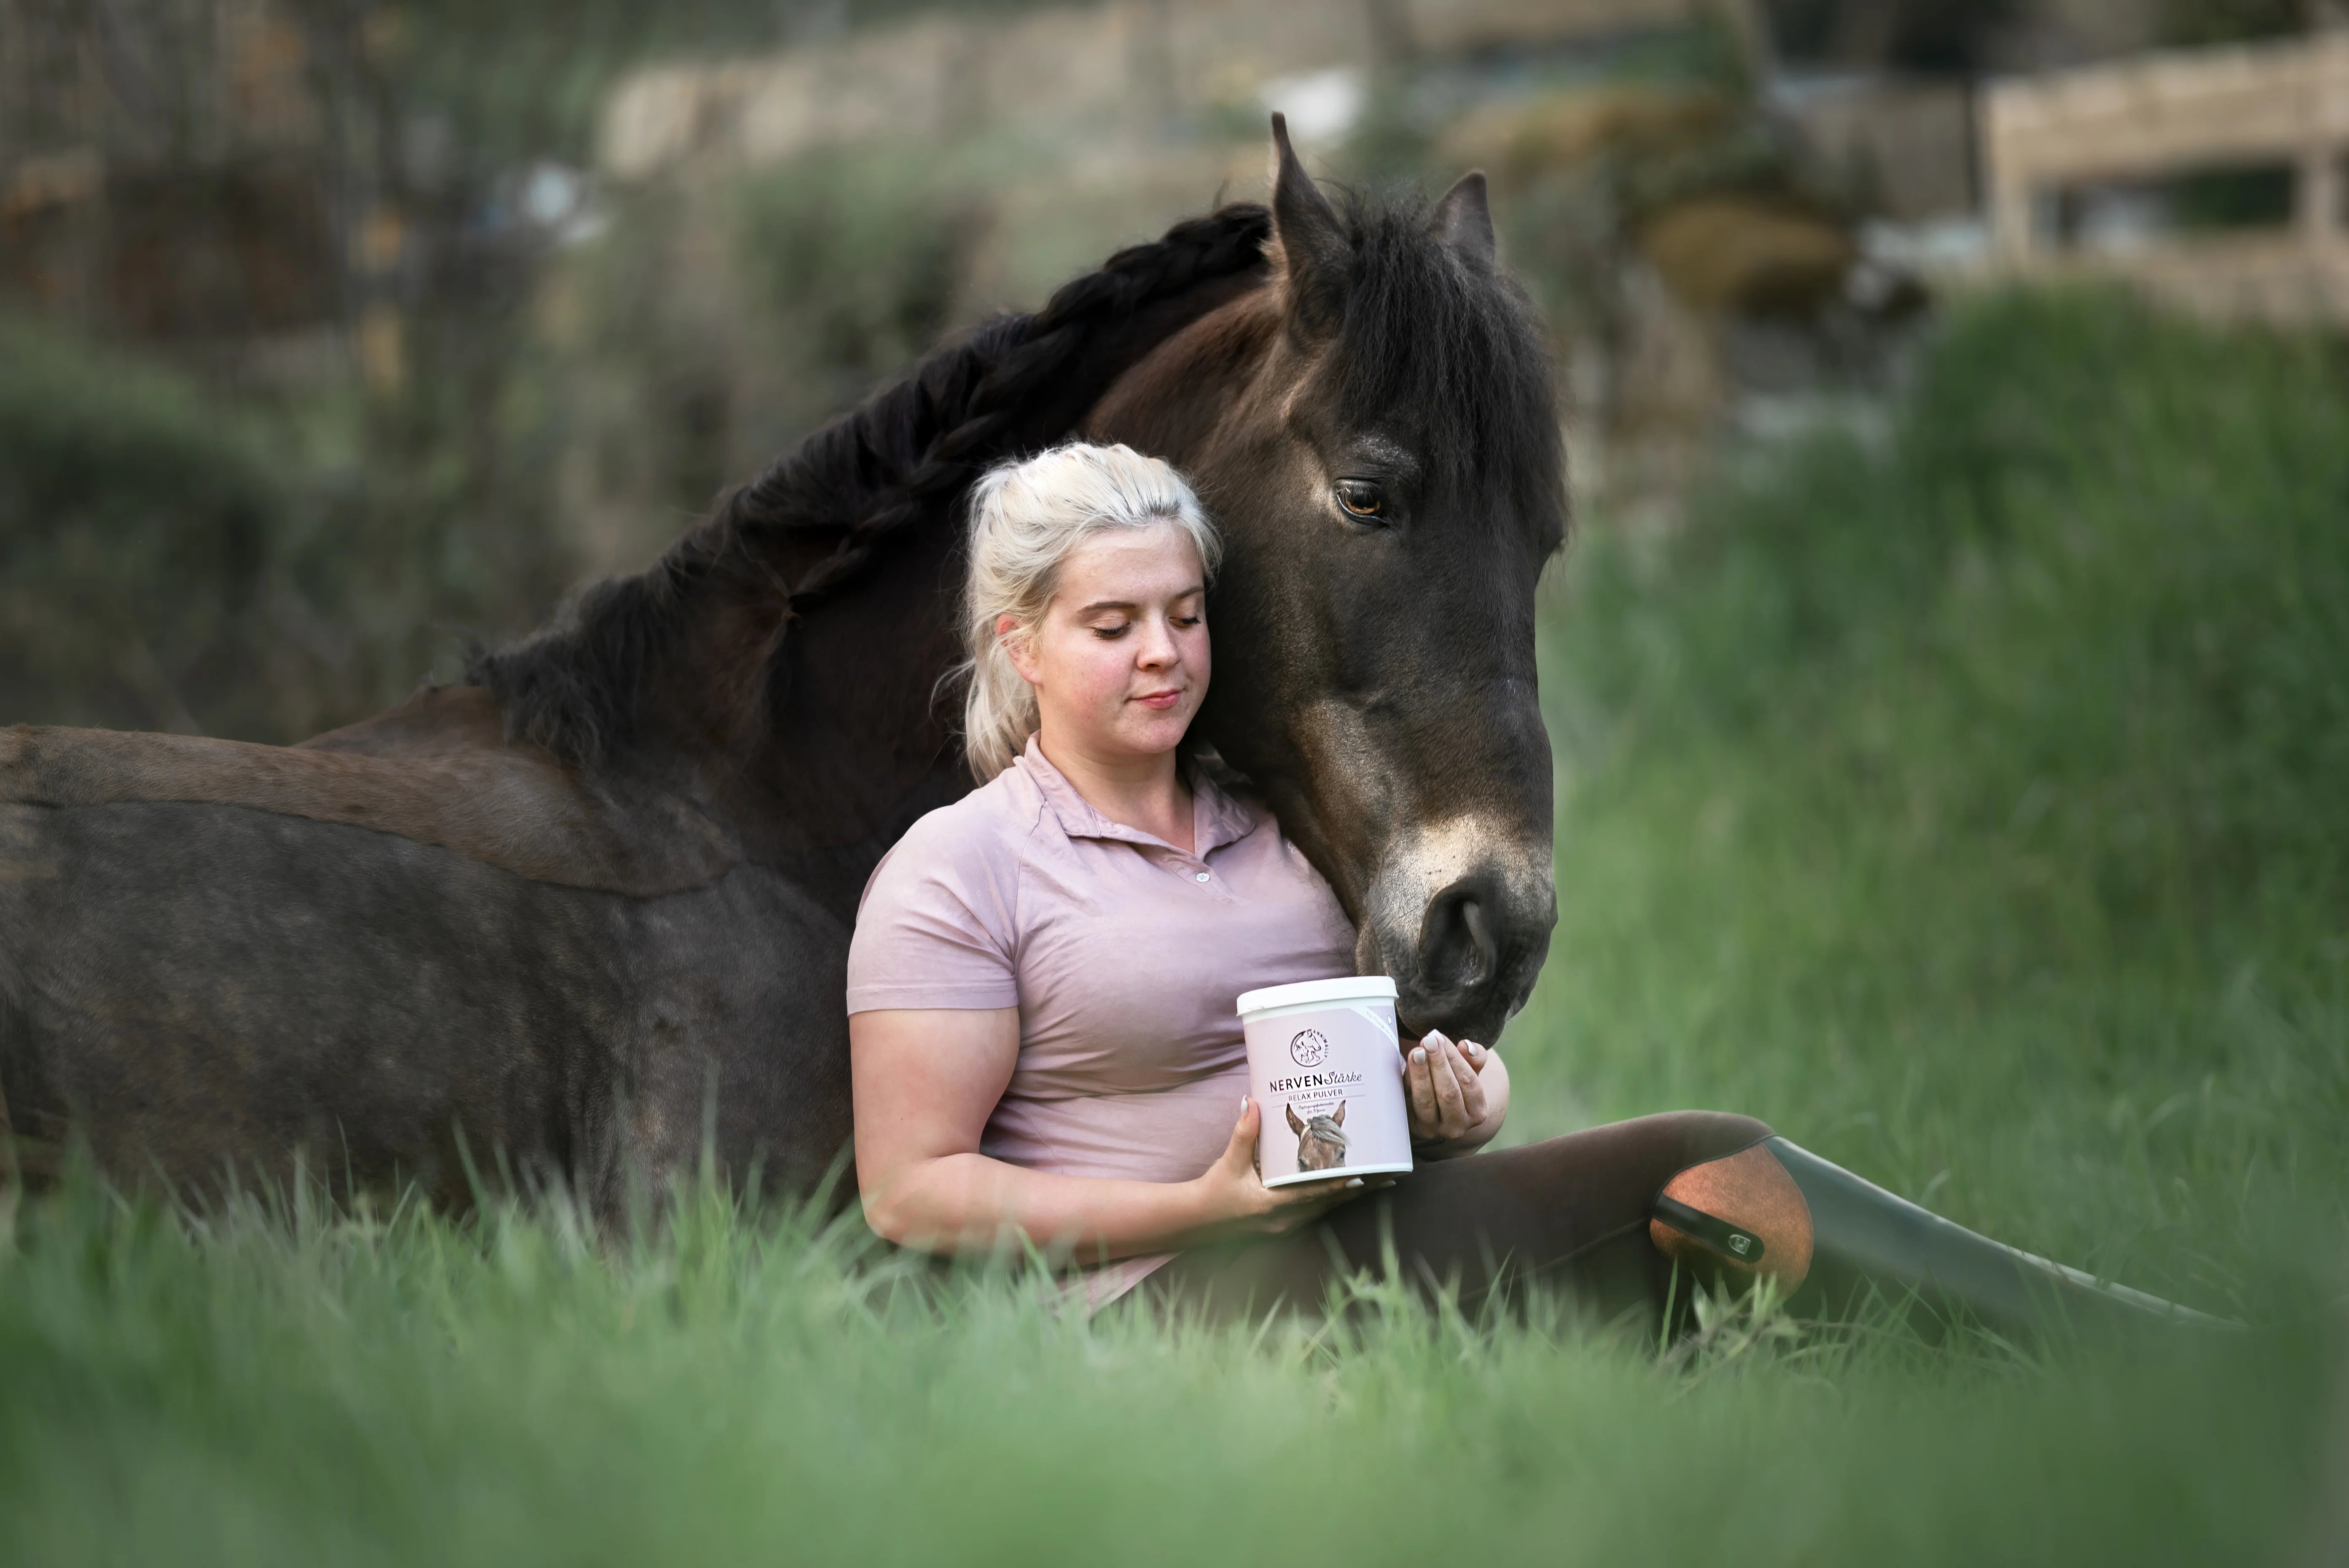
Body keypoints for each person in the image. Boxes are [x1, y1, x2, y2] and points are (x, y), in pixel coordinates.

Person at [847, 442, 2208, 1336]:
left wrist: (1450, 1107)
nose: (1164, 653)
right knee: (1695, 1166)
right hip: (1148, 1314)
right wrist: (1207, 1210)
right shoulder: (960, 870)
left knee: (1711, 1238)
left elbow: (1338, 1097)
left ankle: (2086, 1369)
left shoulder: (1276, 830)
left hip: (1350, 1245)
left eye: (1186, 614)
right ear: (1020, 645)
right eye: (1111, 625)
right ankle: (2128, 1349)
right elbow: (913, 1195)